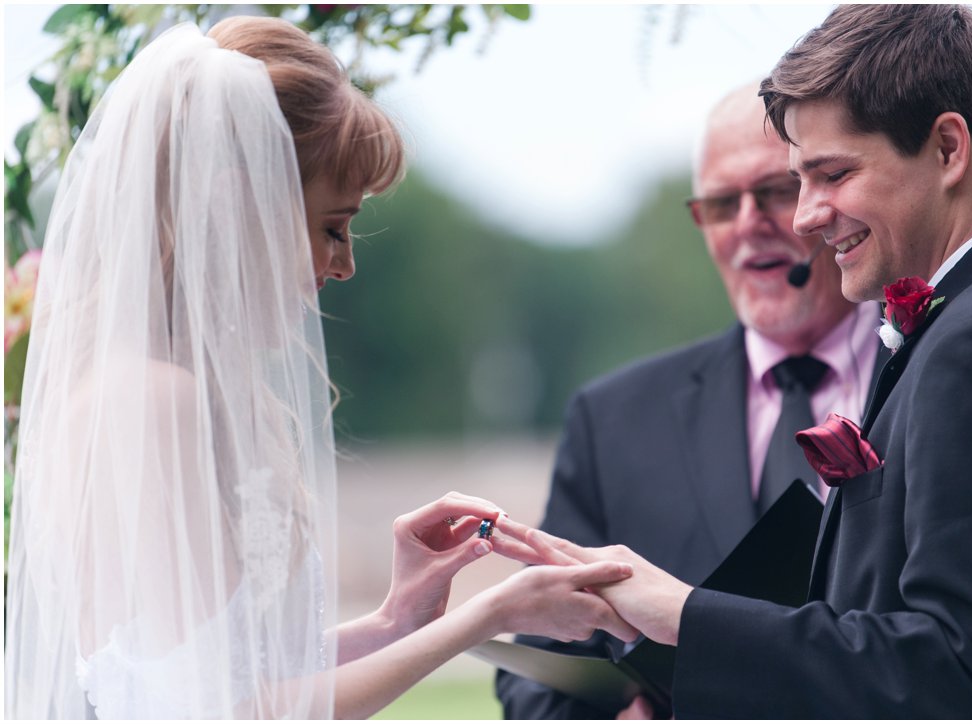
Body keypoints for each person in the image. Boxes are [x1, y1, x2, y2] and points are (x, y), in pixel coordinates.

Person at [3, 18, 637, 720]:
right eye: (333, 227)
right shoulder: (148, 401)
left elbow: (235, 672)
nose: (346, 264)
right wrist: (485, 618)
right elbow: (226, 710)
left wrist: (395, 621)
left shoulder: (192, 394)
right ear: (234, 203)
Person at [515, 4, 972, 718]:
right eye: (798, 180)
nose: (806, 216)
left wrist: (686, 615)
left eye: (830, 174)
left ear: (947, 150)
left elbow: (962, 679)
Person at [497, 82, 888, 719]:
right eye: (719, 203)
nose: (747, 225)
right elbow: (538, 669)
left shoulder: (936, 369)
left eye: (774, 191)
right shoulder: (613, 420)